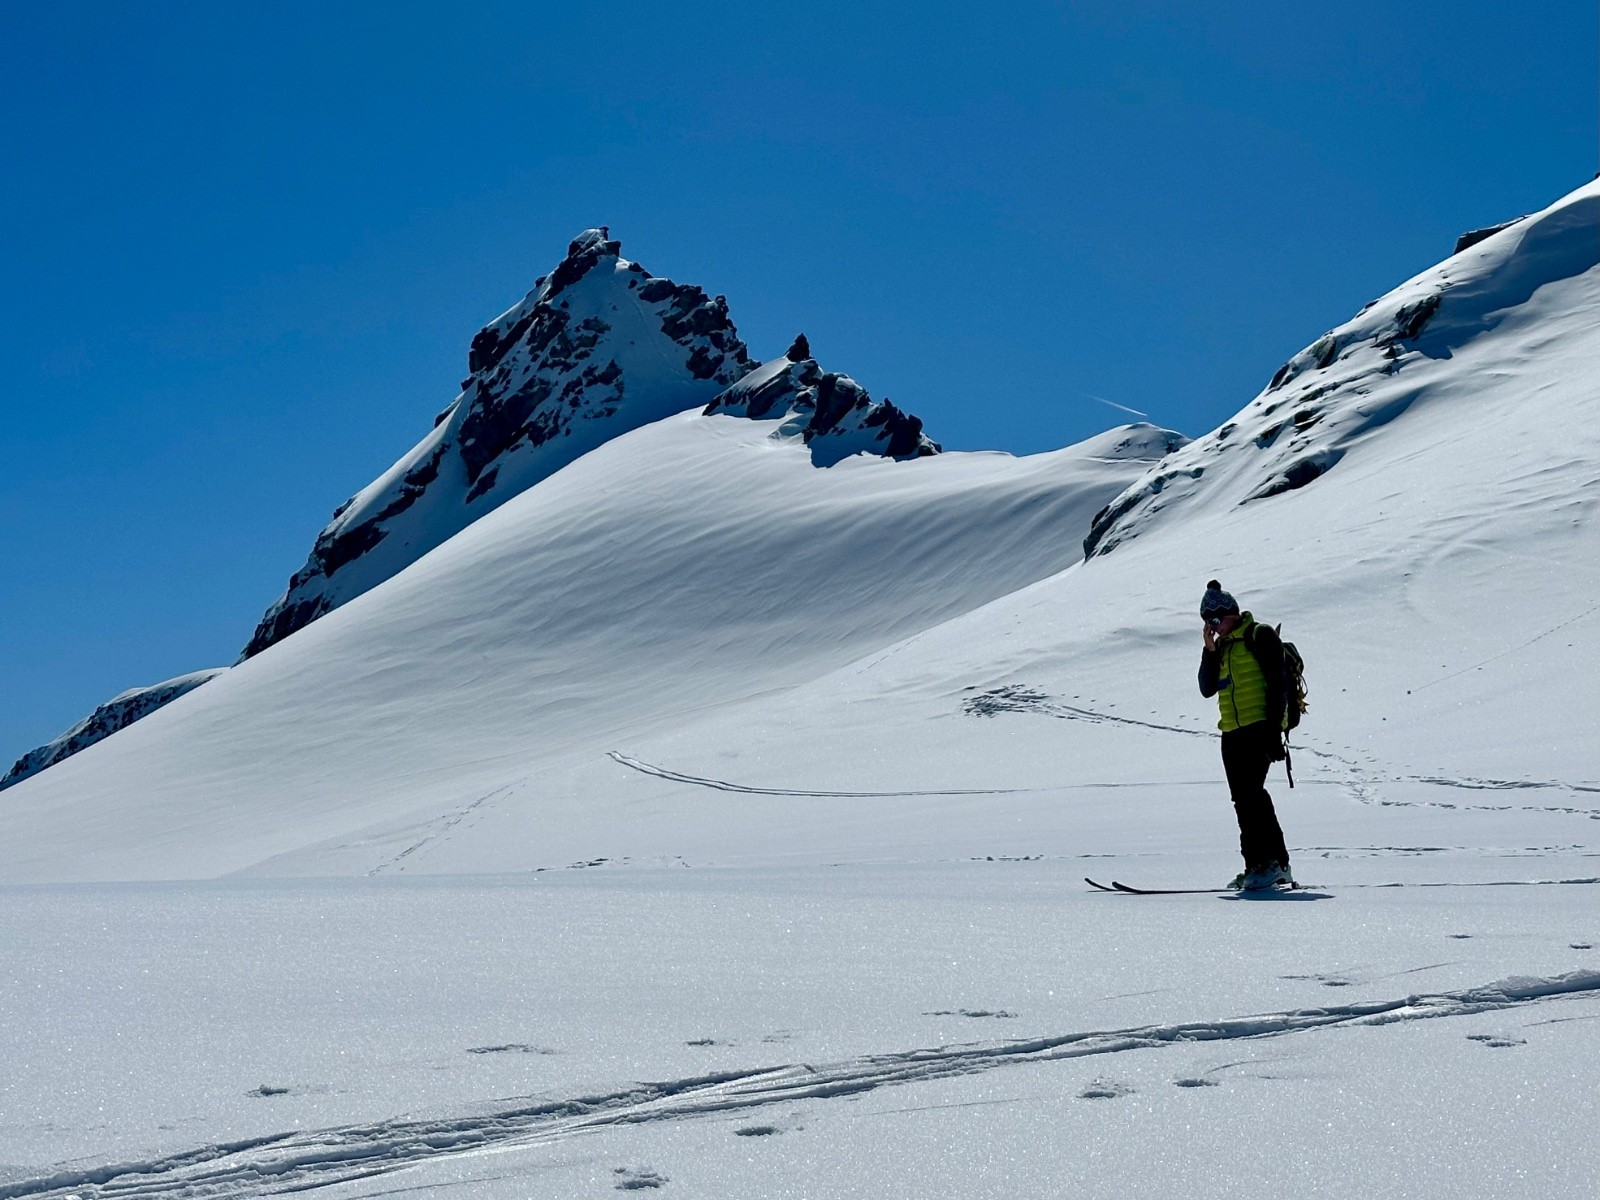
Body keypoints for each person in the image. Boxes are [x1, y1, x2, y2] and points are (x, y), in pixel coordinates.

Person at [1197, 580, 1294, 890]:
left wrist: (1274, 732)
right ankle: (1255, 866)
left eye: (1215, 620)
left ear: (1231, 613)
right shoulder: (1221, 647)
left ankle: (1276, 864)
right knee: (1243, 801)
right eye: (1206, 623)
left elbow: (1278, 685)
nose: (1213, 628)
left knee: (1253, 796)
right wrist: (1209, 651)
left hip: (1258, 728)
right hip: (1231, 733)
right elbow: (1206, 689)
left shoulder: (1259, 635)